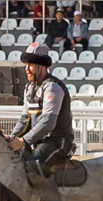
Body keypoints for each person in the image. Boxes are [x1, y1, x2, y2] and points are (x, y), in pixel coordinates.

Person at [7, 43, 74, 181]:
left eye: (30, 64)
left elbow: (48, 122)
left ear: (42, 66)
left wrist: (23, 140)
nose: (26, 68)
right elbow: (25, 120)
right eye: (26, 64)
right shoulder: (29, 88)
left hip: (59, 141)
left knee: (32, 165)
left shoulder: (52, 87)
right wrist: (12, 138)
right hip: (40, 142)